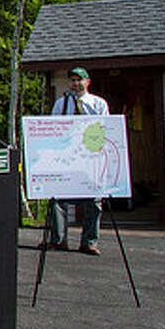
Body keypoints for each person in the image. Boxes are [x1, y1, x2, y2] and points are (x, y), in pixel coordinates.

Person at [47, 66, 110, 255]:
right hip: (67, 157)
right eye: (73, 80)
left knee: (94, 200)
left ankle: (89, 241)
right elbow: (54, 127)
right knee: (58, 198)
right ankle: (58, 240)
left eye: (79, 80)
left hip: (90, 157)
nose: (76, 83)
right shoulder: (61, 103)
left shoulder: (98, 103)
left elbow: (105, 128)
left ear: (87, 82)